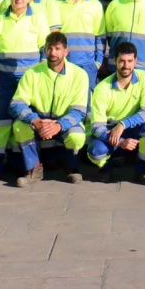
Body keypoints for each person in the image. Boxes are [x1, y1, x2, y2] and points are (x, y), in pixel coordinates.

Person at [0, 0, 51, 183]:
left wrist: (40, 78)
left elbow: (44, 52)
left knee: (24, 122)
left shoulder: (38, 19)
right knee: (2, 122)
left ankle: (29, 167)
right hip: (5, 80)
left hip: (29, 81)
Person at [10, 31, 90, 186]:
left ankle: (71, 167)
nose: (53, 53)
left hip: (64, 122)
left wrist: (58, 125)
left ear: (66, 51)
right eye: (49, 48)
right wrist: (35, 120)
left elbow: (79, 111)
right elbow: (16, 104)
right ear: (45, 50)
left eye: (57, 49)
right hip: (38, 121)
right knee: (19, 126)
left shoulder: (79, 75)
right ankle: (33, 169)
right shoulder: (32, 73)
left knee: (77, 135)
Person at [87, 42, 145, 185]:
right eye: (122, 61)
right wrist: (120, 141)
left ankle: (142, 171)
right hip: (110, 129)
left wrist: (123, 124)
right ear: (115, 61)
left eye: (130, 61)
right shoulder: (102, 88)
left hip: (133, 126)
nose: (126, 65)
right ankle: (105, 169)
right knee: (95, 151)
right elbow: (96, 127)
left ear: (135, 61)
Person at [58, 0, 106, 90]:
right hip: (62, 63)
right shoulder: (55, 4)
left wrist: (98, 63)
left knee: (87, 99)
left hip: (88, 65)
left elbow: (100, 36)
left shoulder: (95, 5)